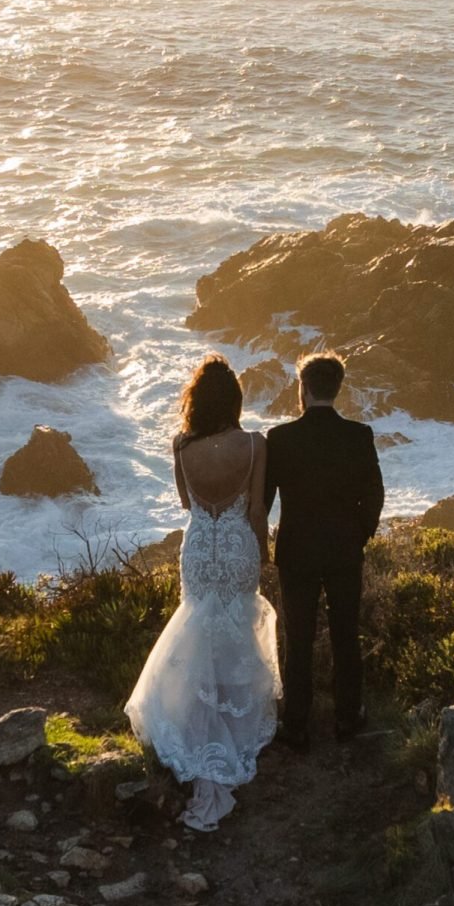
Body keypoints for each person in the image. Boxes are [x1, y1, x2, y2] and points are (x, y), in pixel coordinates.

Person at [125, 354, 281, 831]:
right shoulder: (255, 444)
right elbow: (256, 511)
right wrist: (265, 554)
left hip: (198, 547)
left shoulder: (180, 446)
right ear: (233, 400)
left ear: (194, 402)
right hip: (236, 546)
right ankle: (231, 731)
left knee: (197, 629)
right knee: (236, 631)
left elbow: (187, 504)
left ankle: (195, 725)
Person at [263, 351, 384, 749]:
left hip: (296, 550)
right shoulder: (359, 435)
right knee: (345, 635)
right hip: (343, 550)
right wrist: (359, 534)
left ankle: (296, 724)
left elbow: (263, 502)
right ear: (338, 389)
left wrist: (261, 543)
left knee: (297, 639)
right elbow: (375, 496)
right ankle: (348, 718)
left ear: (303, 388)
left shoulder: (279, 439)